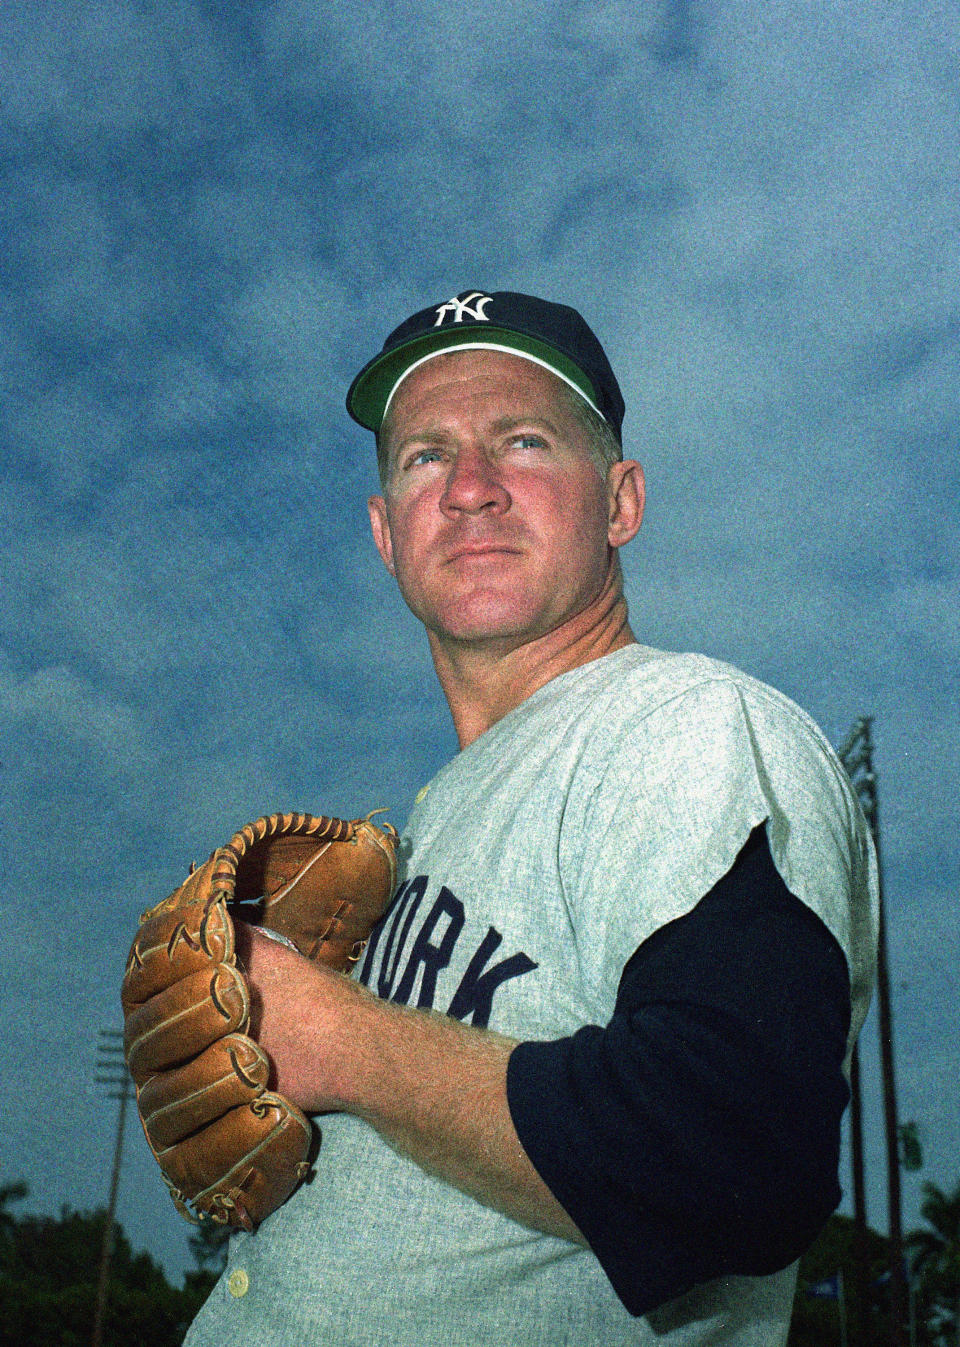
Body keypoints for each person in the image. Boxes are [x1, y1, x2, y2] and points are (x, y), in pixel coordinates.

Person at [184, 290, 878, 1346]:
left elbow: (740, 1158)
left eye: (522, 441)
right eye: (425, 456)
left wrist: (340, 1039)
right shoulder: (430, 825)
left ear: (621, 502)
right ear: (384, 532)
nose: (470, 489)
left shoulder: (688, 726)